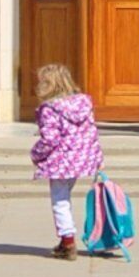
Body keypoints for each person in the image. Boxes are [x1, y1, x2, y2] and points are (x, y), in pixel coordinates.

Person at [30, 63, 100, 260]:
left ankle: (68, 242)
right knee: (65, 198)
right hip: (80, 160)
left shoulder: (50, 108)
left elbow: (50, 139)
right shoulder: (84, 104)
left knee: (60, 201)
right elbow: (92, 133)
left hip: (60, 162)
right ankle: (64, 241)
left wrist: (36, 154)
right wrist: (96, 157)